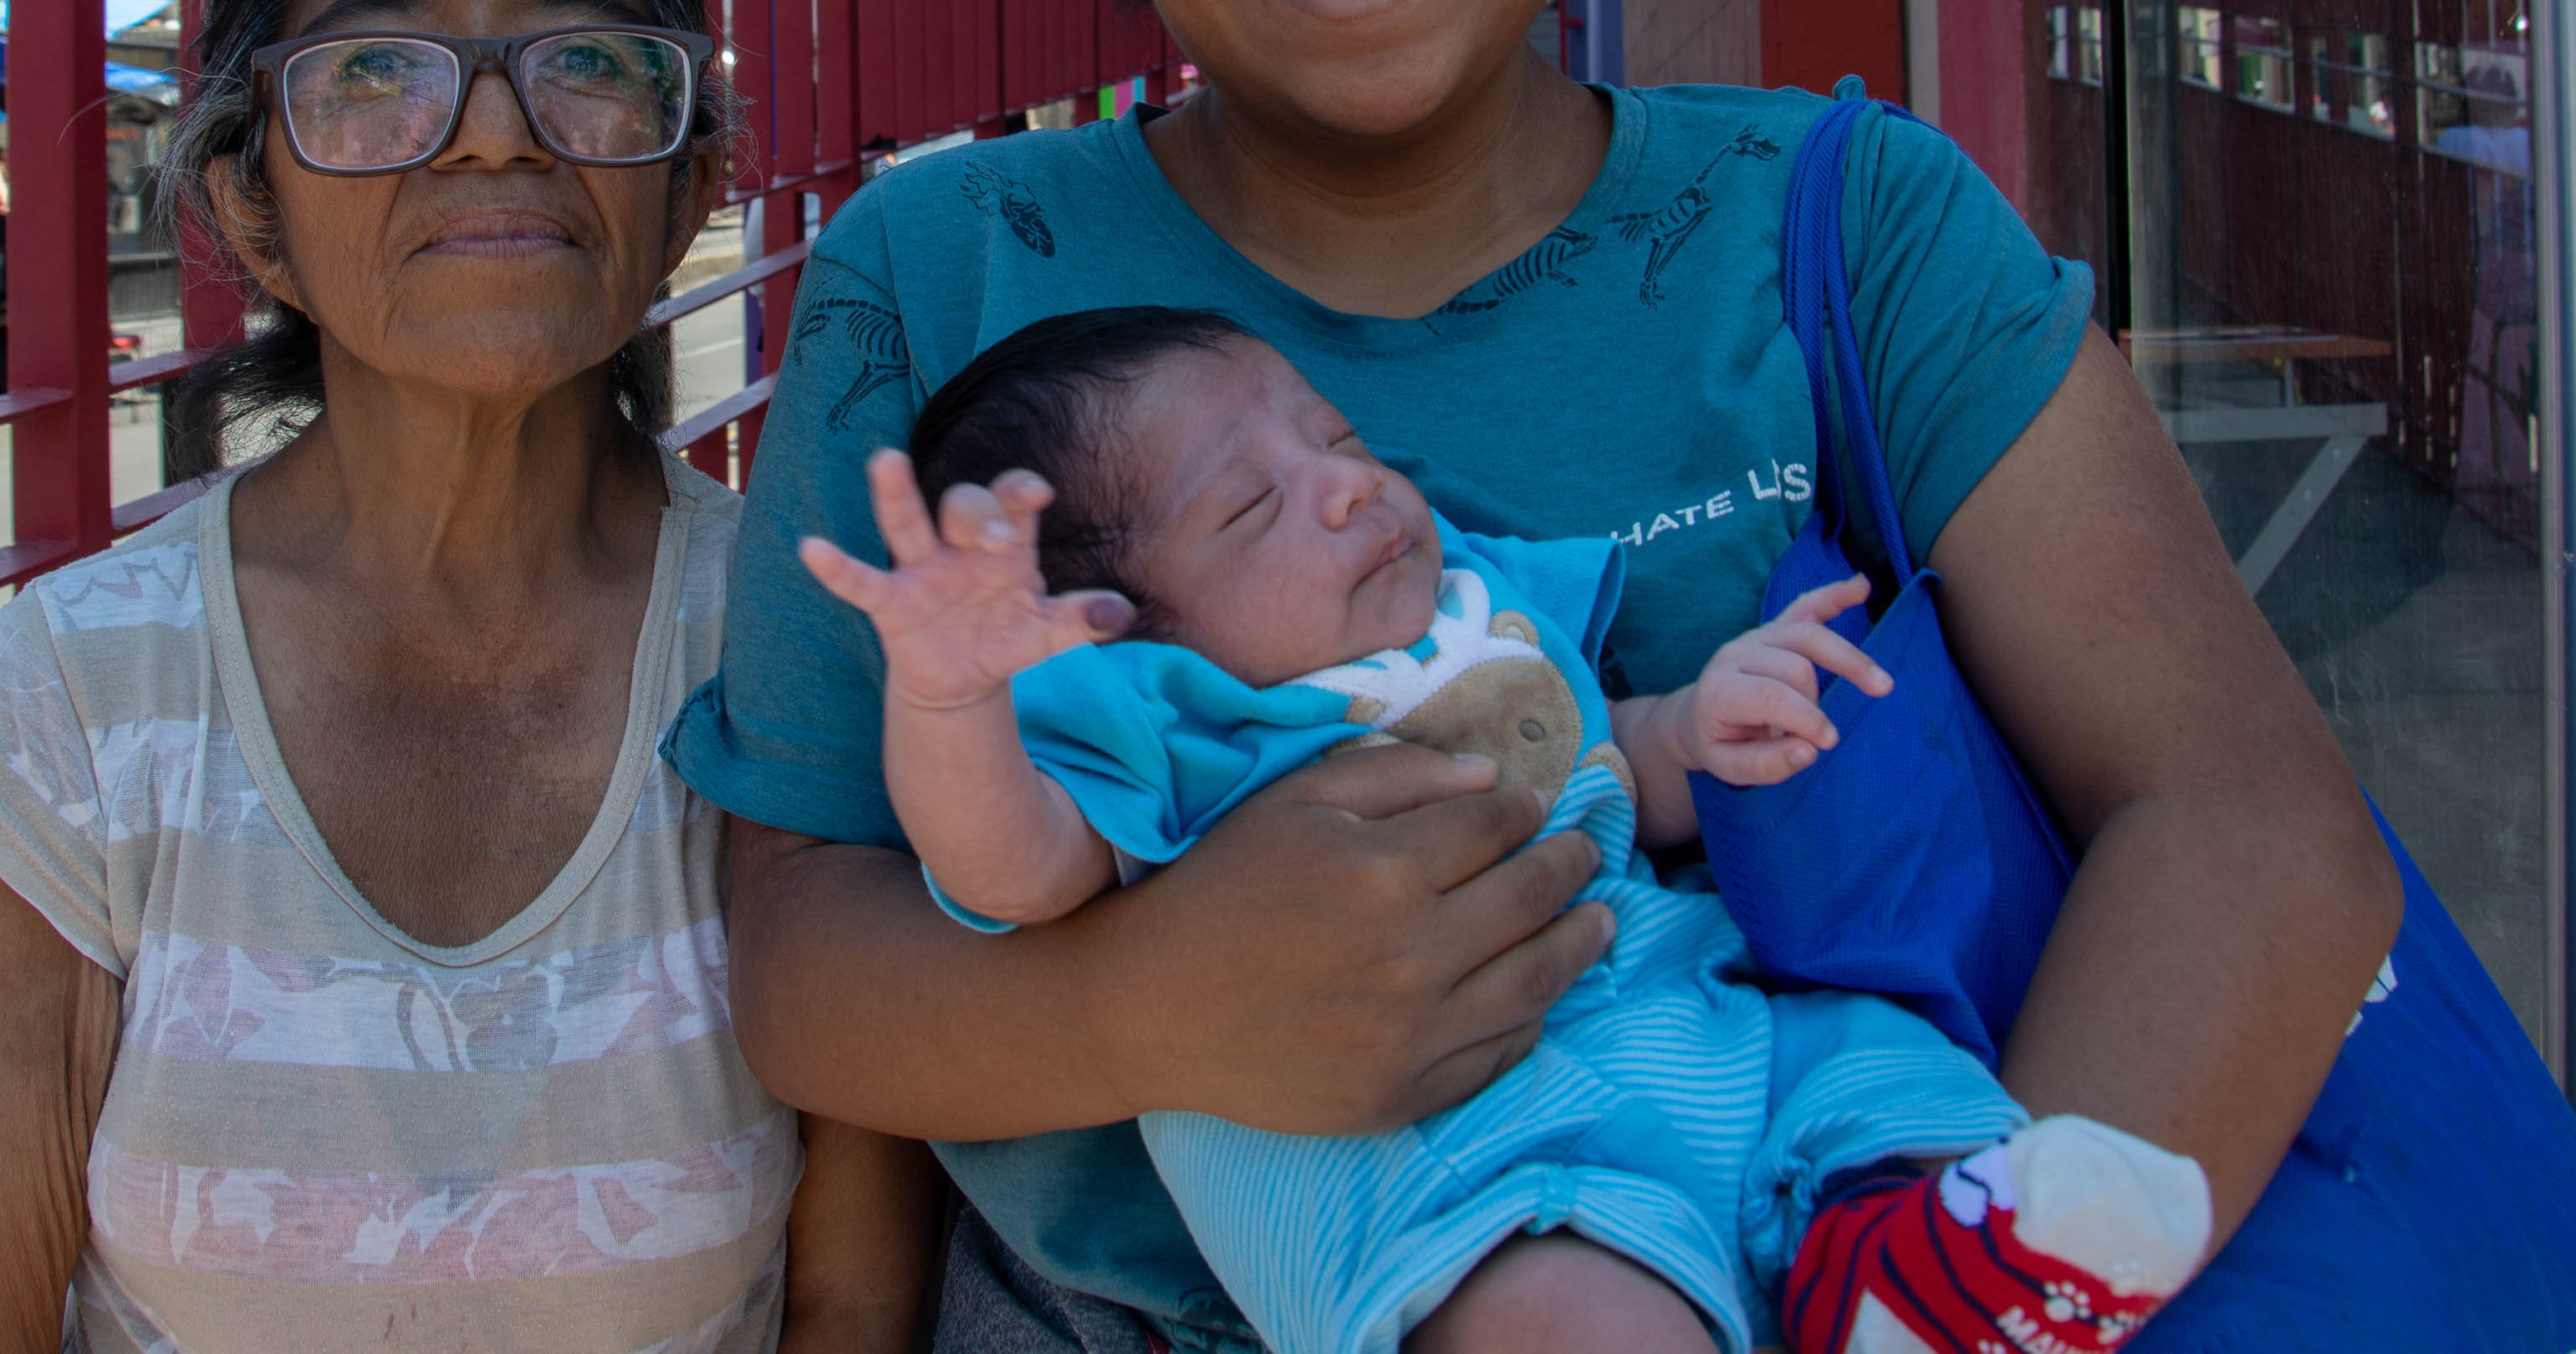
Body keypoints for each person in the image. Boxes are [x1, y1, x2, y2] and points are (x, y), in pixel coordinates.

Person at [663, 0, 2399, 1353]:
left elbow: (2240, 816)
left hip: (1811, 1249)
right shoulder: (943, 266)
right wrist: (1148, 1000)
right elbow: (809, 950)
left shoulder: (1844, 221)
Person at [0, 0, 937, 1354]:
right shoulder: (75, 711)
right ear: (249, 210)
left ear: (687, 184)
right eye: (371, 72)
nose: (495, 132)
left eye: (585, 62)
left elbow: (851, 1305)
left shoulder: (811, 652)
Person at [808, 305, 2210, 1354]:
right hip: (1443, 1167)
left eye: (1336, 439)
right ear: (1109, 631)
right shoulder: (1167, 724)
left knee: (1889, 1087)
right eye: (1250, 506)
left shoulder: (1478, 609)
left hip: (1699, 1036)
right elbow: (1012, 869)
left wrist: (1711, 721)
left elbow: (1612, 755)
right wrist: (953, 700)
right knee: (1562, 1318)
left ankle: (1900, 1279)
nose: (1348, 482)